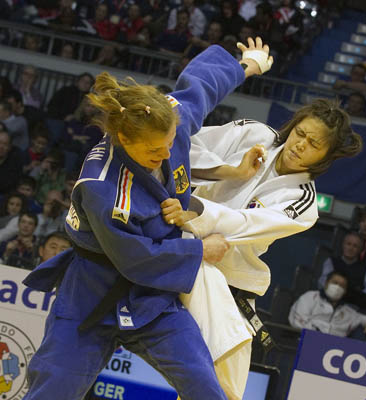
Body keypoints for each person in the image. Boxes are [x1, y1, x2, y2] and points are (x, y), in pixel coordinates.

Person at [21, 37, 273, 400]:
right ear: (123, 138)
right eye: (155, 151)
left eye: (170, 142)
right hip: (90, 294)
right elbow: (136, 259)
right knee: (53, 390)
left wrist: (248, 64)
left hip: (152, 301)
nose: (167, 152)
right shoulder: (102, 187)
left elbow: (200, 84)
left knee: (205, 386)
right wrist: (200, 250)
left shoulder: (166, 118)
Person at [160, 98, 363, 399]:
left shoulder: (302, 202)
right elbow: (185, 147)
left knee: (226, 371)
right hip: (176, 238)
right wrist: (230, 171)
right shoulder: (254, 134)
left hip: (227, 279)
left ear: (325, 157)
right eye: (300, 133)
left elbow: (244, 223)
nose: (300, 144)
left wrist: (195, 208)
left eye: (313, 143)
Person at [289, 271, 366, 341]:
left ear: (345, 291)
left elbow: (363, 318)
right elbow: (297, 323)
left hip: (331, 353)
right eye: (335, 283)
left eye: (342, 286)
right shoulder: (310, 297)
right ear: (326, 284)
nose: (337, 287)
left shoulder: (347, 311)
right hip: (302, 344)